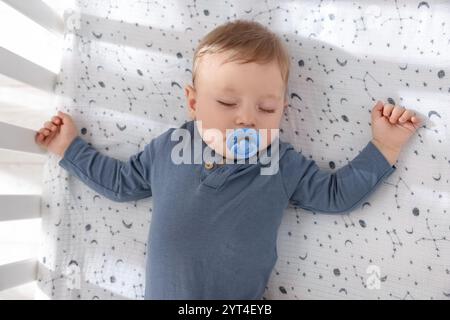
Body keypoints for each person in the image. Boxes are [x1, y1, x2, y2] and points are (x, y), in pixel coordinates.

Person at [35, 20, 422, 299]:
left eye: (267, 108)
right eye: (225, 102)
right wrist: (70, 148)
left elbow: (335, 194)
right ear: (192, 102)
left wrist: (383, 147)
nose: (247, 118)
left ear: (282, 111)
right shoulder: (169, 148)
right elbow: (120, 183)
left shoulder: (282, 163)